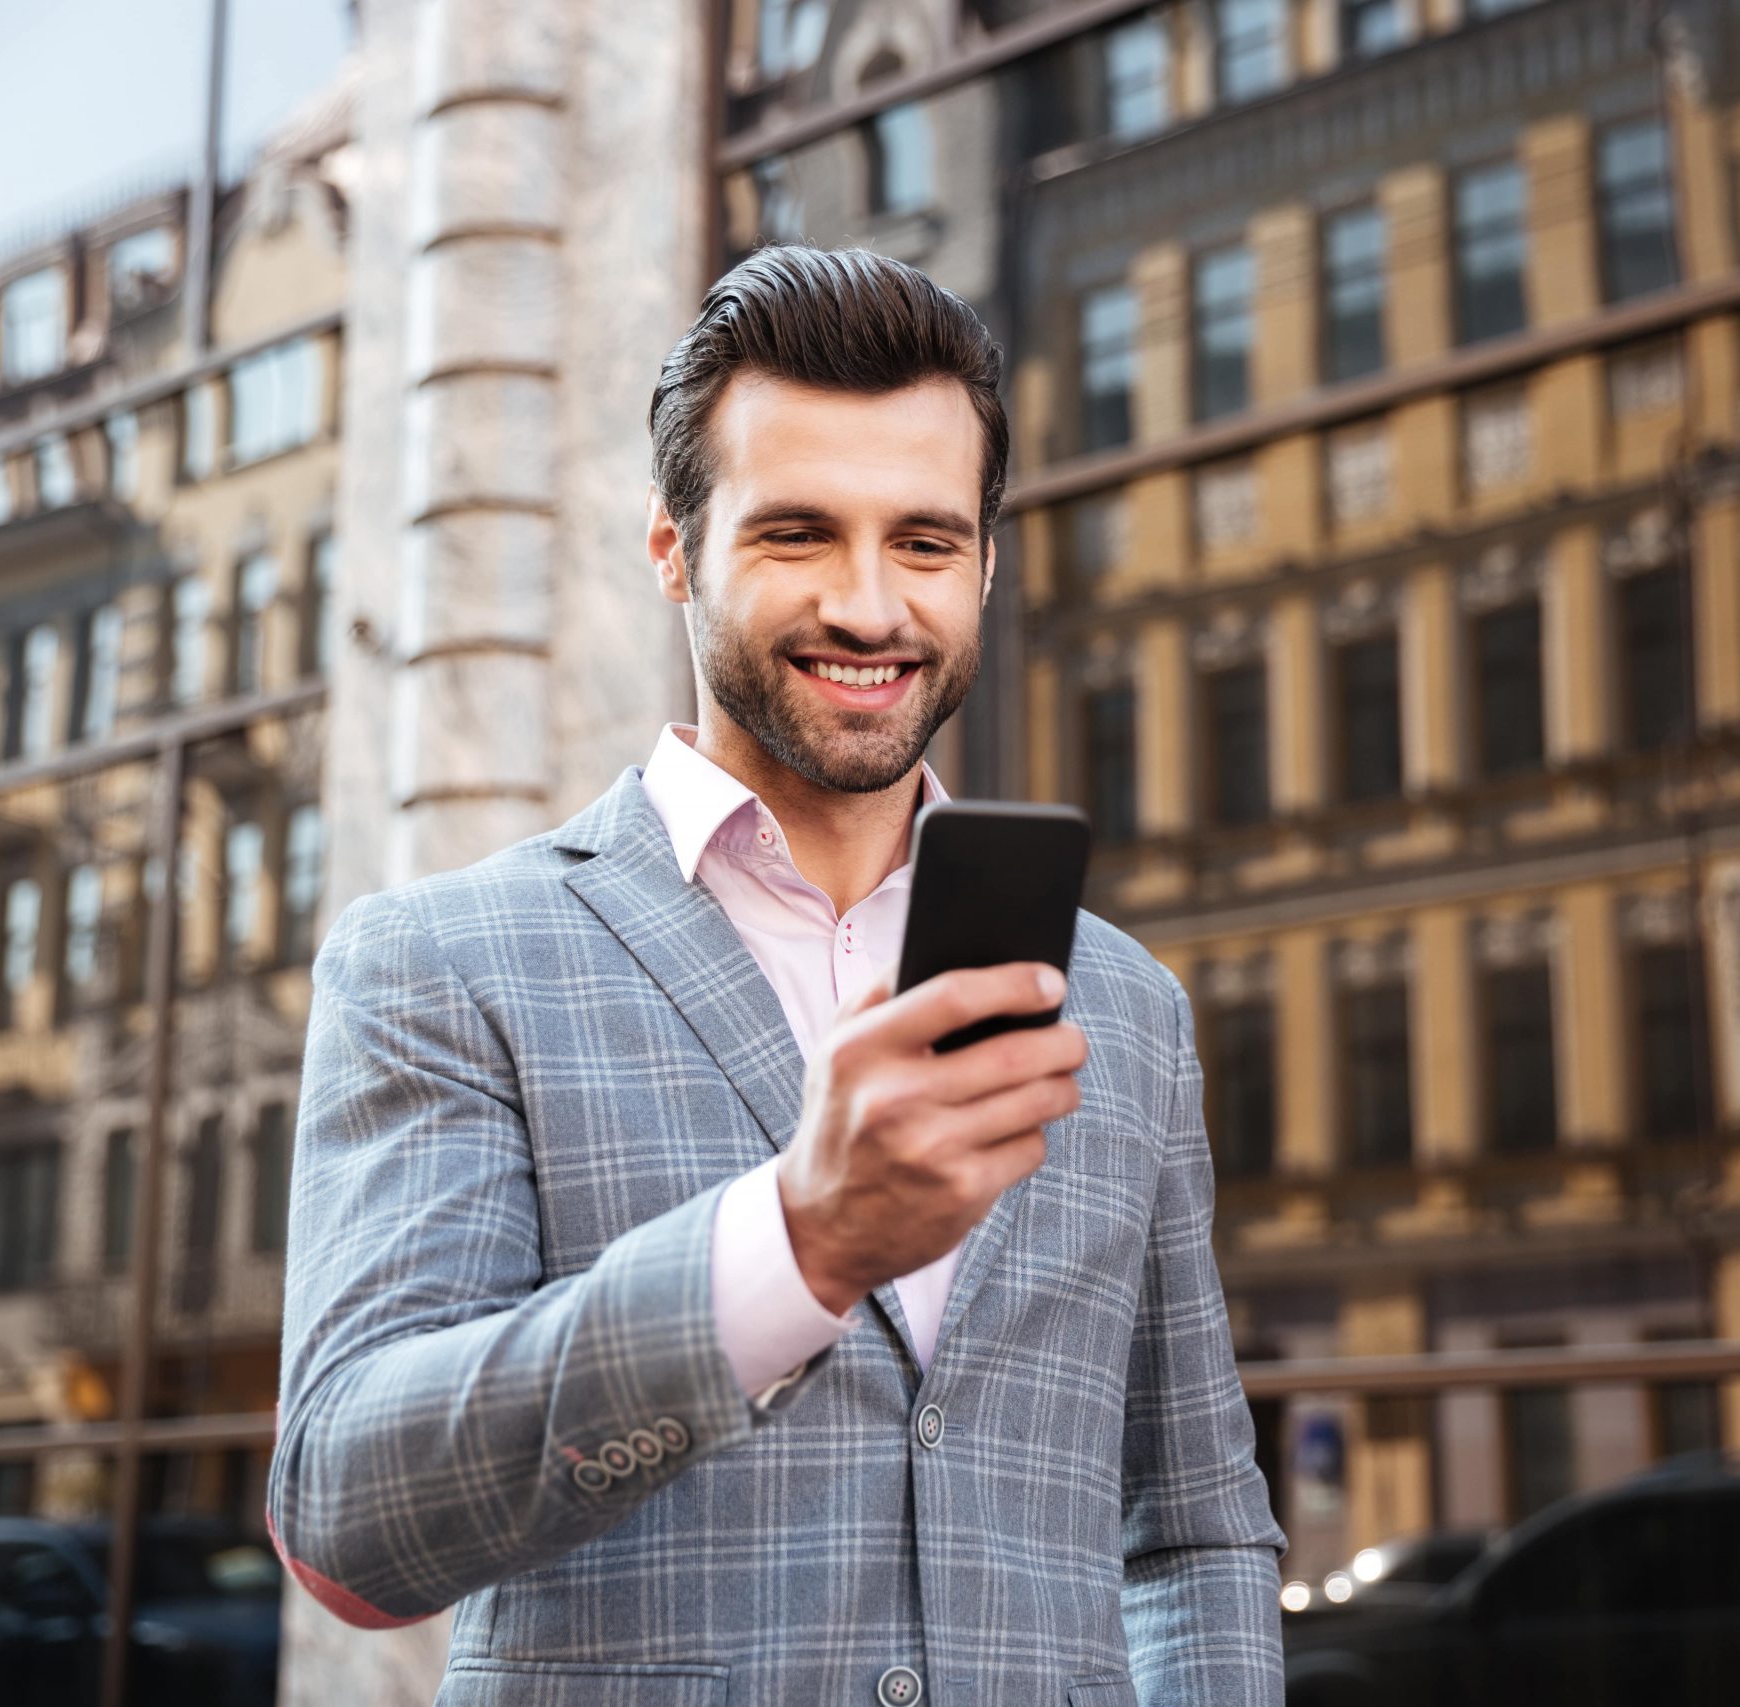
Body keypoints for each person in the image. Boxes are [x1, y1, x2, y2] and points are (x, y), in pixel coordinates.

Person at [267, 244, 1287, 1707]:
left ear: (988, 564)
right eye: (799, 534)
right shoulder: (441, 962)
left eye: (927, 544)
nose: (872, 610)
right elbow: (350, 1518)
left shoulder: (1119, 1004)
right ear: (675, 547)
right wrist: (792, 1247)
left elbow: (1190, 1531)